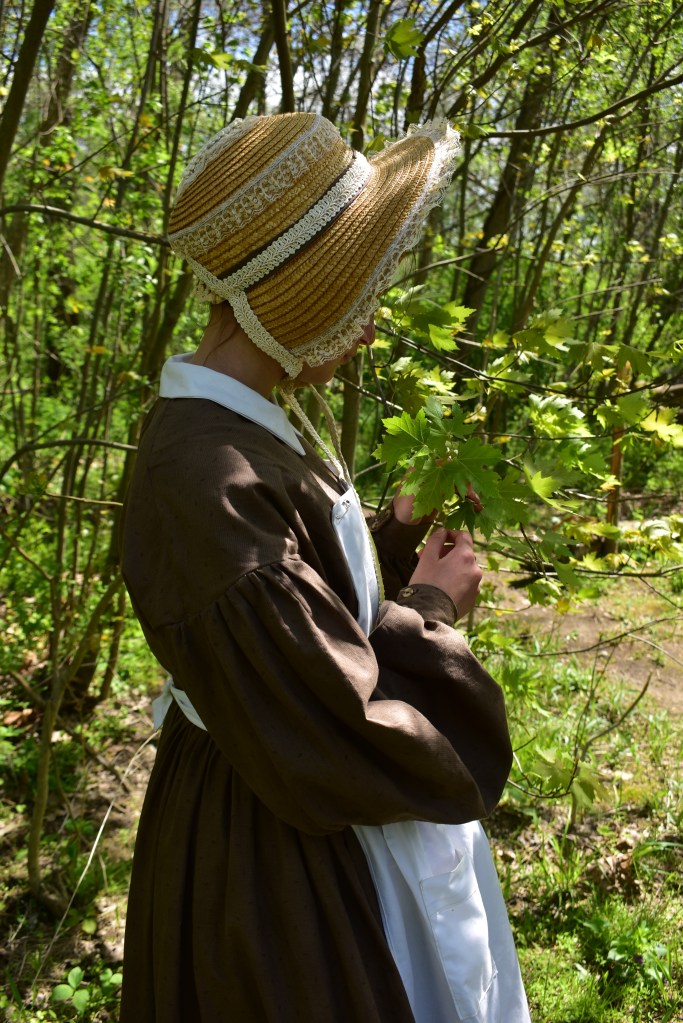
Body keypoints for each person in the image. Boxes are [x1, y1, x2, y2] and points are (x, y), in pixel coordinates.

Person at [119, 112, 530, 1022]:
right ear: (298, 297)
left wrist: (391, 535)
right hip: (273, 853)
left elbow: (299, 603)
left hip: (280, 783)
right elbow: (327, 714)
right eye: (355, 295)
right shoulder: (207, 471)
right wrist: (429, 608)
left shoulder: (245, 418)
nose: (369, 325)